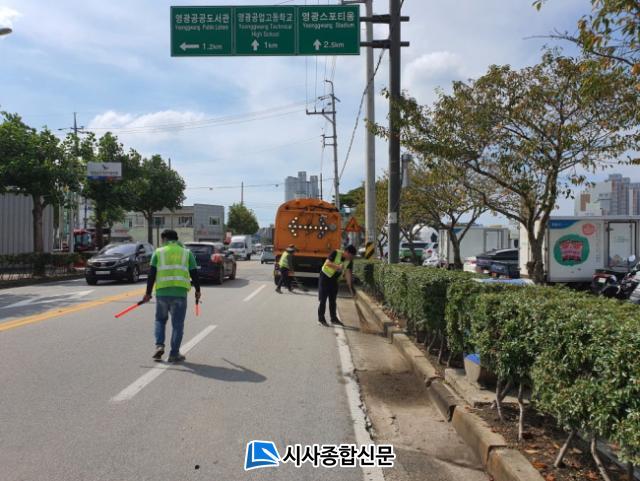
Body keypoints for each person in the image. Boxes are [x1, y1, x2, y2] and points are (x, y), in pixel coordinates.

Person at [143, 229, 201, 363]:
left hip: (162, 293)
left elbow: (151, 275)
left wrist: (148, 293)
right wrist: (197, 290)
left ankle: (159, 345)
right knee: (177, 324)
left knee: (160, 320)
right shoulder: (186, 253)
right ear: (176, 239)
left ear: (164, 239)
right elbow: (194, 273)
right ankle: (174, 354)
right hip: (180, 294)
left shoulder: (158, 252)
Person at [318, 244, 356, 326]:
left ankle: (333, 319)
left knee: (333, 300)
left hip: (334, 280)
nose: (350, 258)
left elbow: (348, 273)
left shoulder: (349, 261)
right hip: (325, 277)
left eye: (352, 257)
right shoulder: (335, 253)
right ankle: (321, 319)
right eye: (350, 256)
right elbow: (327, 263)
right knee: (323, 299)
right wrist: (338, 266)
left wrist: (350, 287)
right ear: (346, 252)